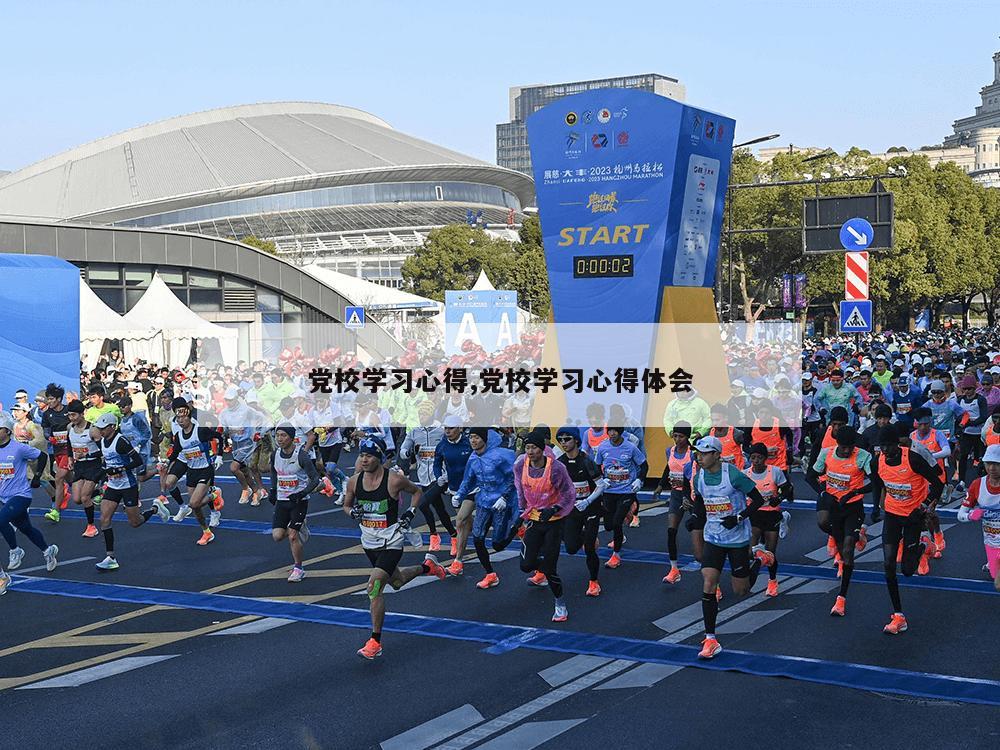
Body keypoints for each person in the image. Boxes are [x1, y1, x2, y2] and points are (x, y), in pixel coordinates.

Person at [343, 437, 445, 659]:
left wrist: (410, 512)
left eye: (369, 455)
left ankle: (375, 642)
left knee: (374, 586)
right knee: (396, 582)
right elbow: (346, 504)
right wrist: (352, 513)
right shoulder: (353, 481)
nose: (364, 459)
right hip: (369, 541)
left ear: (379, 457)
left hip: (392, 540)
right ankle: (428, 567)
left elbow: (417, 491)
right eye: (362, 455)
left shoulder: (394, 480)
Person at [690, 436, 770, 659]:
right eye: (699, 453)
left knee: (740, 591)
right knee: (708, 582)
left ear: (716, 454)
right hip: (713, 536)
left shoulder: (732, 474)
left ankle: (760, 560)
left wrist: (739, 517)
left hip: (737, 538)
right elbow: (700, 501)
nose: (700, 457)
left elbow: (758, 500)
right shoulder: (699, 477)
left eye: (705, 453)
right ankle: (711, 639)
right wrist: (696, 516)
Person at [873, 424, 943, 634]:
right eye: (882, 446)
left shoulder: (912, 458)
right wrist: (876, 508)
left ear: (898, 443)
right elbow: (879, 484)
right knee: (888, 563)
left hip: (913, 516)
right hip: (893, 515)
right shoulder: (879, 461)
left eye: (889, 446)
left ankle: (924, 546)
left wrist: (923, 507)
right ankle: (898, 616)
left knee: (908, 571)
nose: (885, 450)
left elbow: (938, 483)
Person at [92, 412, 170, 570]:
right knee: (104, 519)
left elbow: (137, 461)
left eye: (104, 428)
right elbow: (106, 463)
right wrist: (98, 480)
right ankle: (110, 557)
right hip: (113, 486)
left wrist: (121, 468)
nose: (101, 431)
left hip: (128, 486)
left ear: (112, 427)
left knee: (135, 522)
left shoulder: (121, 441)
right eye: (99, 428)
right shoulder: (102, 442)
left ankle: (155, 509)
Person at [513, 429, 576, 622]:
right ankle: (546, 567)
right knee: (526, 565)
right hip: (533, 518)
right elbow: (520, 489)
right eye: (527, 447)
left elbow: (569, 493)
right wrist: (521, 513)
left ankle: (560, 604)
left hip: (553, 522)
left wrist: (555, 508)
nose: (530, 451)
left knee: (550, 568)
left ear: (542, 449)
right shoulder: (520, 466)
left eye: (534, 447)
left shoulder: (556, 468)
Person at [811, 426, 872, 615]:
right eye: (844, 447)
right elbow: (813, 475)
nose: (847, 451)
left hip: (853, 507)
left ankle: (841, 598)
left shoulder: (863, 456)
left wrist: (856, 492)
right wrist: (823, 492)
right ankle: (857, 536)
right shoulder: (826, 454)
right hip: (834, 508)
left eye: (850, 447)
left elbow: (876, 481)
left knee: (847, 551)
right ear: (837, 443)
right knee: (834, 536)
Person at [451, 427, 518, 589]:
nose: (473, 441)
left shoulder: (499, 456)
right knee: (478, 538)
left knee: (498, 544)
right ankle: (490, 574)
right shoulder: (473, 458)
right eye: (471, 437)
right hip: (483, 502)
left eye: (477, 437)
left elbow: (513, 476)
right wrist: (459, 495)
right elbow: (468, 480)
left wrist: (504, 497)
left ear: (485, 439)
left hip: (501, 504)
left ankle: (517, 527)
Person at [0, 412, 59, 579]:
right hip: (4, 497)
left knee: (1, 520)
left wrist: (38, 476)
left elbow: (42, 456)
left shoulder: (18, 448)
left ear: (7, 431)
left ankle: (15, 550)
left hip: (21, 495)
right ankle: (48, 551)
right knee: (26, 528)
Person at [555, 425, 607, 596]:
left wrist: (587, 501)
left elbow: (600, 485)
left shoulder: (586, 461)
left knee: (590, 547)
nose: (564, 443)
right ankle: (585, 536)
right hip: (572, 509)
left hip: (590, 507)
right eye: (560, 440)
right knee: (570, 548)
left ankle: (594, 582)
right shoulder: (560, 463)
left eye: (567, 439)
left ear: (576, 440)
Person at [163, 398, 223, 544]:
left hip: (205, 470)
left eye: (184, 417)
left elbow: (219, 437)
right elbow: (176, 452)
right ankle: (206, 532)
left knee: (195, 503)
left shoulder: (200, 430)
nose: (181, 420)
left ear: (189, 417)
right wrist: (167, 463)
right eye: (179, 418)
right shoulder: (179, 436)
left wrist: (219, 456)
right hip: (191, 471)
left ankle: (214, 495)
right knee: (195, 507)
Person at [400, 402, 457, 552]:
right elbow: (403, 451)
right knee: (439, 508)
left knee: (423, 504)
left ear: (431, 414)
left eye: (424, 414)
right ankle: (453, 535)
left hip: (439, 475)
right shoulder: (414, 432)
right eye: (420, 414)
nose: (421, 417)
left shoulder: (441, 430)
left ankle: (434, 534)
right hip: (423, 475)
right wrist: (411, 451)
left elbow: (451, 445)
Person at [270, 423, 321, 581]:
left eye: (283, 435)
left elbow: (315, 479)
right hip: (282, 499)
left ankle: (298, 568)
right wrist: (273, 489)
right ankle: (300, 527)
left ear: (292, 438)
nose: (280, 439)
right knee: (277, 536)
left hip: (299, 500)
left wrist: (302, 493)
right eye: (278, 435)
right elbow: (273, 472)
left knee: (292, 536)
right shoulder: (275, 454)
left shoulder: (301, 455)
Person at [594, 425, 647, 568]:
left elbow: (644, 465)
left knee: (617, 523)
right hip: (609, 490)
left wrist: (639, 480)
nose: (612, 434)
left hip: (626, 490)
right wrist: (601, 480)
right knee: (609, 525)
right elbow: (596, 465)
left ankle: (616, 556)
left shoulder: (630, 447)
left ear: (620, 432)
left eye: (615, 431)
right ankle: (627, 515)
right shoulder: (603, 447)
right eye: (609, 431)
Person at [745, 441, 794, 597]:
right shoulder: (745, 474)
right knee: (750, 552)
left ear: (765, 458)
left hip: (771, 513)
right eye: (753, 458)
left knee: (770, 554)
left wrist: (778, 498)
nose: (756, 461)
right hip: (754, 513)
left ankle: (772, 581)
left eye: (759, 457)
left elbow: (787, 488)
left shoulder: (775, 472)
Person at [653, 423, 697, 584]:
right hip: (676, 494)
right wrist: (659, 485)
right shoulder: (669, 451)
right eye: (675, 436)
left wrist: (689, 496)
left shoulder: (693, 454)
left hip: (692, 496)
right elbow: (669, 467)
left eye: (681, 436)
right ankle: (674, 569)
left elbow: (692, 475)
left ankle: (712, 575)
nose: (677, 440)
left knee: (698, 535)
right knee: (671, 531)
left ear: (688, 437)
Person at [435, 416, 475, 576]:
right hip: (454, 489)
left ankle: (458, 561)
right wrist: (439, 476)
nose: (447, 431)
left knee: (460, 522)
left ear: (459, 428)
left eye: (451, 428)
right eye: (445, 428)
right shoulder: (442, 445)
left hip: (472, 488)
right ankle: (475, 534)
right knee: (466, 524)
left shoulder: (469, 443)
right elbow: (437, 462)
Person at [957, 443, 1000, 592]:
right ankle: (992, 563)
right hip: (990, 540)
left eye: (996, 464)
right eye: (989, 463)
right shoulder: (977, 485)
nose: (992, 468)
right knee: (996, 577)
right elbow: (960, 515)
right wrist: (971, 515)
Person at [909, 407, 951, 557]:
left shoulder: (937, 434)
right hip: (919, 481)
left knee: (929, 512)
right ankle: (932, 541)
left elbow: (947, 451)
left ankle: (936, 536)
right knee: (924, 513)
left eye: (926, 424)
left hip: (936, 479)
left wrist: (929, 456)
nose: (923, 427)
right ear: (916, 423)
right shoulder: (912, 436)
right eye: (920, 424)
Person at [41, 383, 72, 522]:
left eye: (52, 399)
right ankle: (96, 491)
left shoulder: (68, 410)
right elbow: (46, 432)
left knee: (59, 478)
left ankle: (56, 511)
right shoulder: (47, 414)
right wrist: (50, 438)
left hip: (70, 450)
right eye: (47, 399)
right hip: (57, 450)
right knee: (70, 479)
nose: (49, 401)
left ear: (59, 399)